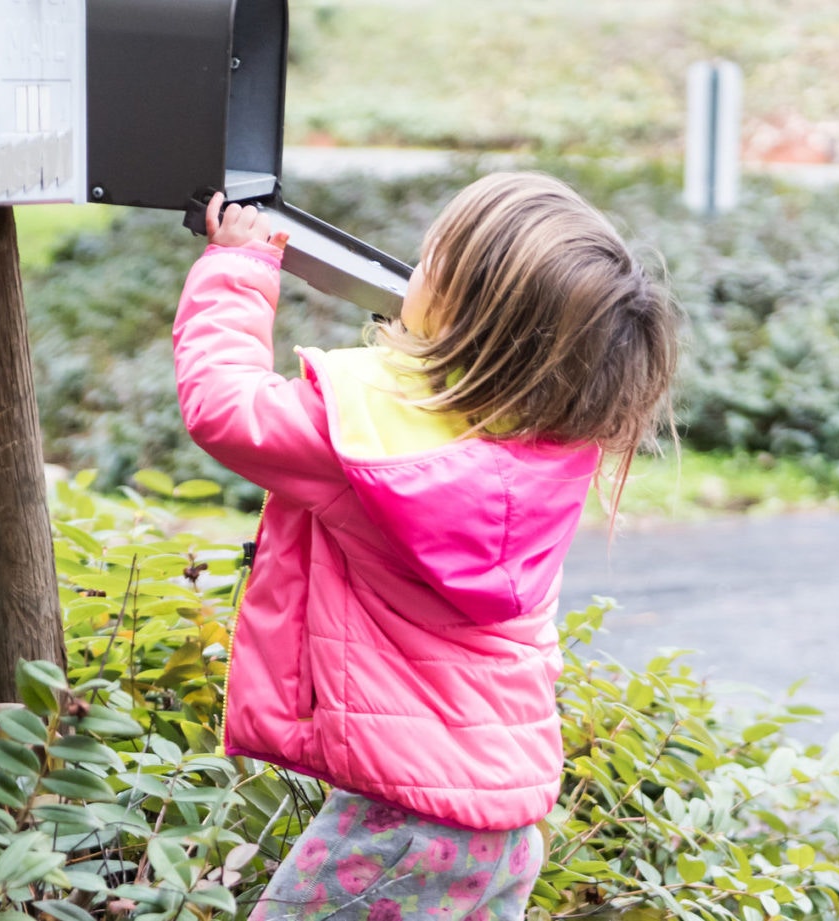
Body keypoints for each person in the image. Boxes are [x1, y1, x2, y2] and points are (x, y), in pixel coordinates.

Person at [172, 173, 681, 921]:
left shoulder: (368, 440)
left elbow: (224, 407)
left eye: (432, 258)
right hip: (500, 815)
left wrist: (238, 267)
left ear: (461, 312)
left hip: (404, 824)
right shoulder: (556, 444)